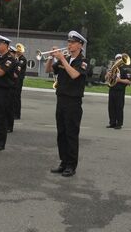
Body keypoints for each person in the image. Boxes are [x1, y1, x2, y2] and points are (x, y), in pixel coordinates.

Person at [46, 30, 88, 177]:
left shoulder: (82, 62)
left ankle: (71, 165)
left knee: (71, 134)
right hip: (61, 100)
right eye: (68, 42)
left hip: (73, 102)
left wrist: (62, 59)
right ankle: (63, 162)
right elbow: (48, 70)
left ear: (80, 45)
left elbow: (75, 75)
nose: (69, 45)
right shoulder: (66, 59)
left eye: (72, 42)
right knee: (61, 134)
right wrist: (51, 58)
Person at [105, 54, 131, 129]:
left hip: (120, 91)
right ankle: (112, 122)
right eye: (117, 59)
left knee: (119, 107)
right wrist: (108, 75)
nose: (118, 60)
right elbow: (106, 79)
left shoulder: (125, 70)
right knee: (111, 107)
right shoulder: (112, 69)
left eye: (120, 59)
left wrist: (119, 80)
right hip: (112, 89)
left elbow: (129, 82)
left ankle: (119, 124)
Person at [14, 44, 27, 120]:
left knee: (17, 97)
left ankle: (17, 114)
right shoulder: (17, 58)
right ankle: (13, 112)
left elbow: (19, 65)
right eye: (17, 51)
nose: (17, 52)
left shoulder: (23, 59)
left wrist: (15, 59)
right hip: (15, 80)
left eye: (19, 51)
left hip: (19, 80)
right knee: (14, 97)